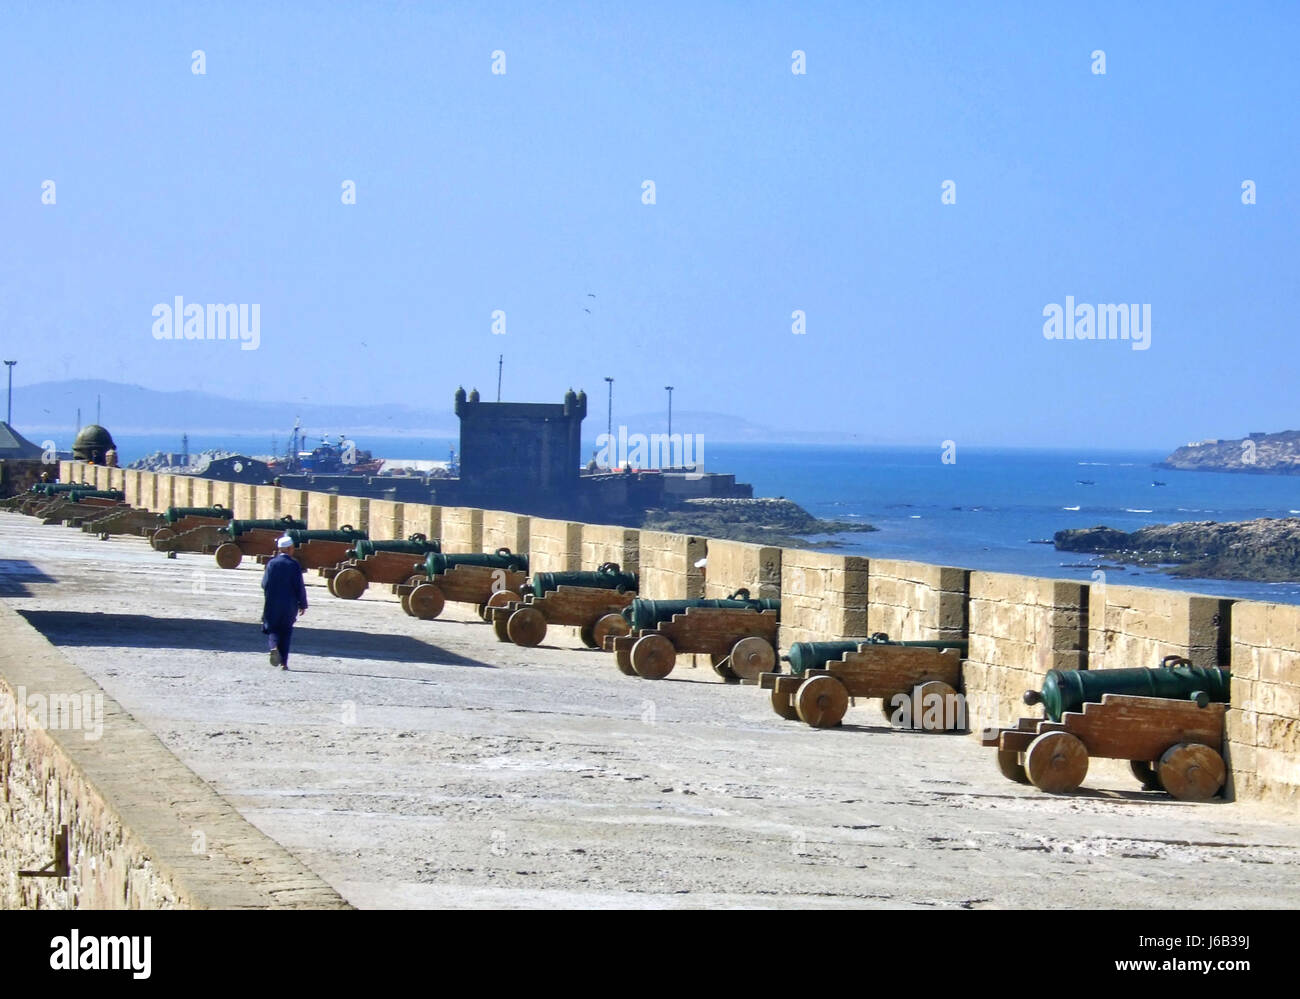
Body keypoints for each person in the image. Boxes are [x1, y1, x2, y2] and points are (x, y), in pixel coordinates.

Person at [261, 535, 307, 670]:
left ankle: (273, 647)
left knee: (273, 629)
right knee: (286, 632)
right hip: (289, 604)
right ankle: (284, 663)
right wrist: (302, 604)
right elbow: (299, 586)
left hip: (273, 602)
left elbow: (265, 583)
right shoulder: (294, 564)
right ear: (288, 549)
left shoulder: (272, 563)